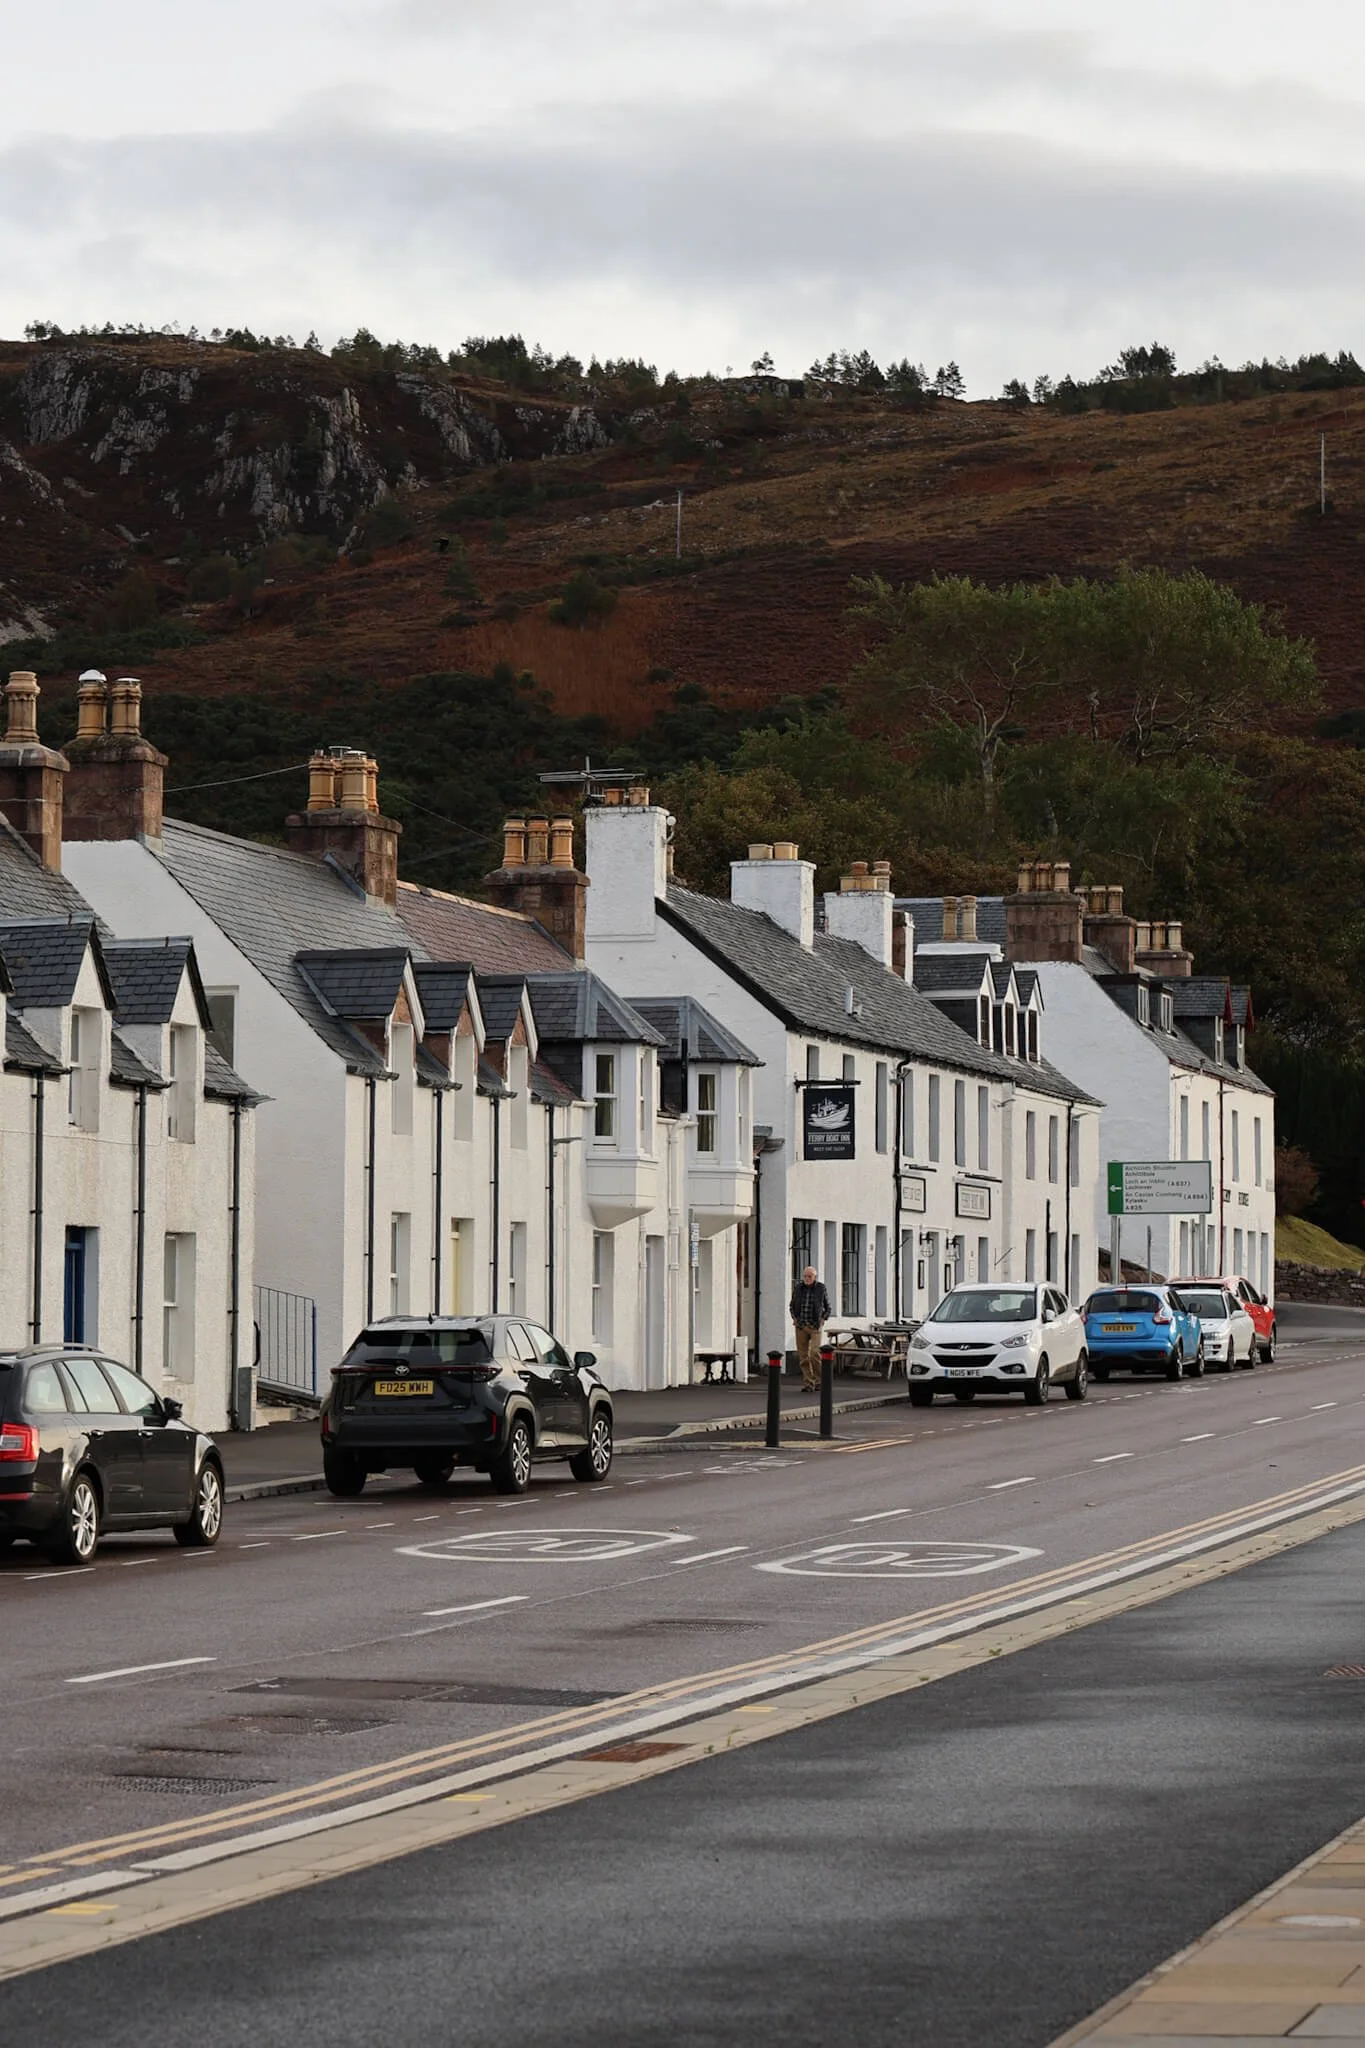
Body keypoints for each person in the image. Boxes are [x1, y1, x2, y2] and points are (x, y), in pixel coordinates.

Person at [790, 1265, 832, 1393]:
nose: (807, 1279)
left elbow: (828, 1307)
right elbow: (791, 1305)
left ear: (815, 1277)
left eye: (810, 1276)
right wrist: (794, 1318)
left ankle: (819, 1380)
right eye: (805, 1276)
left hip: (815, 1326)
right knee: (803, 1356)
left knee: (814, 1353)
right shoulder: (798, 1288)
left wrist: (823, 1318)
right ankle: (808, 1382)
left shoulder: (820, 1288)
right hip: (801, 1326)